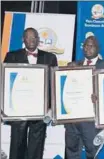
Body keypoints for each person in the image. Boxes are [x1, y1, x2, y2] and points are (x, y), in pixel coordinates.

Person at [3, 27, 58, 159]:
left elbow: (53, 84)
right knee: (17, 144)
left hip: (40, 109)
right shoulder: (12, 56)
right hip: (17, 109)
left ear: (38, 40)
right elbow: (5, 82)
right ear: (23, 39)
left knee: (36, 146)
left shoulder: (50, 58)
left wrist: (50, 108)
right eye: (28, 37)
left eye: (34, 37)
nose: (32, 40)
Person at [64, 36, 104, 159]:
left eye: (91, 45)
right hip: (72, 118)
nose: (87, 48)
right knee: (71, 150)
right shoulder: (73, 65)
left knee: (92, 152)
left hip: (91, 120)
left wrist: (99, 98)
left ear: (98, 48)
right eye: (86, 45)